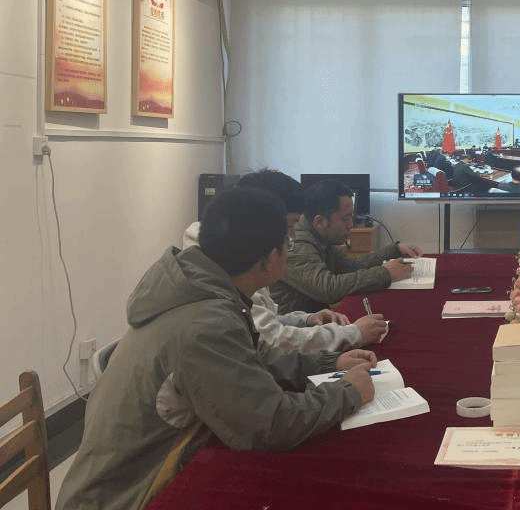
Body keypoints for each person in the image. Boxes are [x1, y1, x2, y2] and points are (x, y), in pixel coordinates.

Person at [56, 187, 378, 510]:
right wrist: (347, 392)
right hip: (125, 497)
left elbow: (253, 356)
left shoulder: (202, 287)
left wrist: (329, 362)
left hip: (137, 474)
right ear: (268, 260)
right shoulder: (206, 322)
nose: (290, 251)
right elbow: (269, 423)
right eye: (288, 243)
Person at [183, 170, 388, 352]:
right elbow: (271, 340)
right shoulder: (229, 262)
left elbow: (262, 322)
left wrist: (306, 319)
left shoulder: (240, 252)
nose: (292, 237)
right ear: (261, 221)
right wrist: (353, 334)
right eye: (289, 226)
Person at [270, 179, 424, 314]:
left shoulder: (319, 235)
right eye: (346, 219)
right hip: (298, 330)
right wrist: (386, 274)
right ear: (320, 222)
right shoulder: (296, 244)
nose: (351, 225)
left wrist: (395, 250)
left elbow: (350, 267)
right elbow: (328, 289)